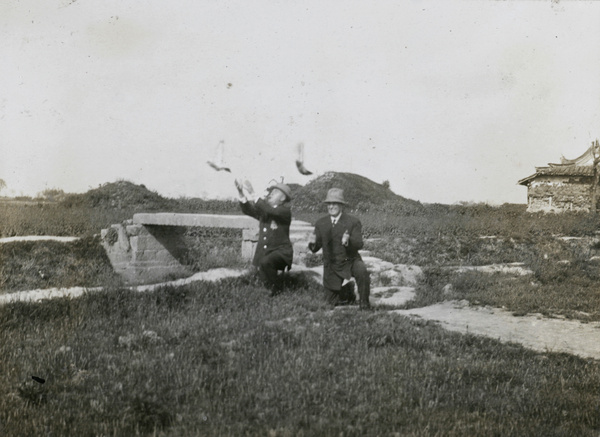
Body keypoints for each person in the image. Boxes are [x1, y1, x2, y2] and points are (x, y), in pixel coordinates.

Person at [308, 188, 371, 309]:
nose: (331, 207)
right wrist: (312, 243)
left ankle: (364, 303)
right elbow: (315, 248)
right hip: (332, 265)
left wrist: (348, 241)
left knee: (362, 271)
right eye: (329, 204)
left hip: (350, 261)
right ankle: (347, 291)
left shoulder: (353, 222)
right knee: (330, 303)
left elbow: (359, 244)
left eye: (334, 203)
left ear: (341, 205)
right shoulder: (321, 223)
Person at [235, 178, 293, 295]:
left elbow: (271, 211)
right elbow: (249, 210)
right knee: (261, 265)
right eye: (271, 192)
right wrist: (241, 193)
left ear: (282, 198)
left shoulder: (284, 211)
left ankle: (275, 291)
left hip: (282, 253)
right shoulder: (267, 211)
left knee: (266, 261)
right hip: (267, 253)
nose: (271, 194)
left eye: (275, 192)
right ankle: (267, 288)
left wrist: (252, 193)